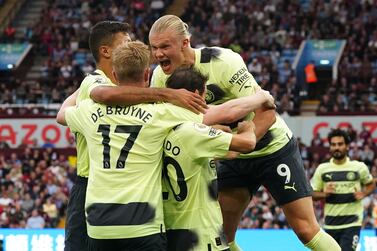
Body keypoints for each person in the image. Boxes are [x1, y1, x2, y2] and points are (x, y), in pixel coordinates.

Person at [149, 15, 341, 251]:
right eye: (154, 47)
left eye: (165, 46)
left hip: (273, 149)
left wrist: (244, 143)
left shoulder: (223, 61)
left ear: (185, 43)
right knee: (223, 238)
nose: (158, 54)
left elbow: (267, 111)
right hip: (233, 154)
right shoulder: (160, 78)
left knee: (306, 230)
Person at [57, 41, 255, 251]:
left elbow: (62, 113)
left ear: (114, 76)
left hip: (99, 226)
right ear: (146, 75)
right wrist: (260, 97)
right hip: (143, 225)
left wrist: (89, 86)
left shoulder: (89, 111)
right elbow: (223, 113)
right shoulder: (160, 113)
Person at [60, 21, 207, 251]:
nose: (130, 45)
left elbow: (63, 114)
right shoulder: (96, 82)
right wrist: (168, 94)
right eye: (125, 42)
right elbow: (105, 95)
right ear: (106, 51)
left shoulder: (120, 91)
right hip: (92, 185)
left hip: (117, 194)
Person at [162, 67, 272, 251]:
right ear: (197, 94)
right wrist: (248, 129)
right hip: (202, 233)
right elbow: (246, 144)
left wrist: (215, 132)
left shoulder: (157, 127)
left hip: (169, 229)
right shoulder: (194, 132)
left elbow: (225, 152)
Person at [311, 129, 375, 251]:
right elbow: (312, 194)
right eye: (333, 144)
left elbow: (371, 184)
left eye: (340, 144)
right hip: (331, 223)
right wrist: (324, 193)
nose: (337, 147)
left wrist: (364, 193)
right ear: (330, 147)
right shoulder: (322, 169)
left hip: (352, 222)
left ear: (347, 146)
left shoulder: (359, 167)